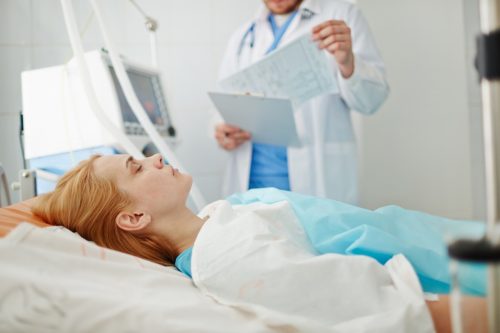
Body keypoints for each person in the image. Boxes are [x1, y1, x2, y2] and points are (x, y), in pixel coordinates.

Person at [33, 154, 488, 333]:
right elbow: (390, 311)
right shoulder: (230, 259)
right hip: (466, 272)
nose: (154, 157)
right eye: (136, 168)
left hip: (447, 239)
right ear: (133, 217)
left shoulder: (216, 217)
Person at [214, 0, 389, 204]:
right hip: (253, 183)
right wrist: (222, 131)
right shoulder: (243, 35)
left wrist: (348, 62)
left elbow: (372, 101)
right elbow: (224, 101)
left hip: (317, 184)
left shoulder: (342, 15)